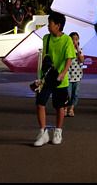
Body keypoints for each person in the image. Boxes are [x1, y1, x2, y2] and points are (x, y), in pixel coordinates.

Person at [33, 10, 75, 146]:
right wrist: (40, 77)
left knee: (59, 106)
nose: (48, 26)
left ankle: (58, 131)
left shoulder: (67, 40)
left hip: (60, 79)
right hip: (47, 78)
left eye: (50, 23)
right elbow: (45, 58)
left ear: (58, 25)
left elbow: (69, 58)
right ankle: (43, 132)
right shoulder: (46, 38)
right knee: (40, 102)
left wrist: (63, 73)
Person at [66, 32, 85, 117]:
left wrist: (77, 49)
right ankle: (65, 108)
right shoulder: (66, 49)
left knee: (75, 93)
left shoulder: (80, 50)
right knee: (67, 93)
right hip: (67, 74)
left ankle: (71, 109)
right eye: (72, 39)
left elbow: (82, 60)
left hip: (77, 75)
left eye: (76, 39)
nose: (74, 41)